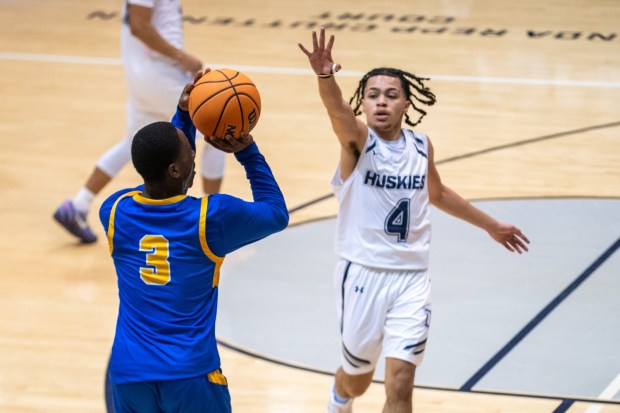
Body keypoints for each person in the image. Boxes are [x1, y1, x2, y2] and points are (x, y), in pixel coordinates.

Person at [298, 28, 530, 413]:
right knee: (357, 380)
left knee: (401, 385)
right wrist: (326, 78)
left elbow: (436, 194)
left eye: (391, 95)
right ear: (364, 104)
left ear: (406, 103)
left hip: (411, 279)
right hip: (362, 276)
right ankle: (340, 396)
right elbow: (337, 111)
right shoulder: (357, 142)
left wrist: (490, 225)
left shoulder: (421, 146)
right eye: (373, 95)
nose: (381, 102)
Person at [100, 70, 289, 413]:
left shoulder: (113, 211)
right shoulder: (211, 219)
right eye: (190, 148)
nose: (194, 150)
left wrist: (182, 117)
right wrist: (248, 151)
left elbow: (162, 179)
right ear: (174, 168)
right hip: (189, 376)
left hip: (129, 374)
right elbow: (276, 213)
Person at [54, 0, 226, 243]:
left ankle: (78, 205)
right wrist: (181, 57)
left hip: (143, 78)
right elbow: (139, 25)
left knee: (130, 143)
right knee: (215, 131)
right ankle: (212, 222)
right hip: (160, 74)